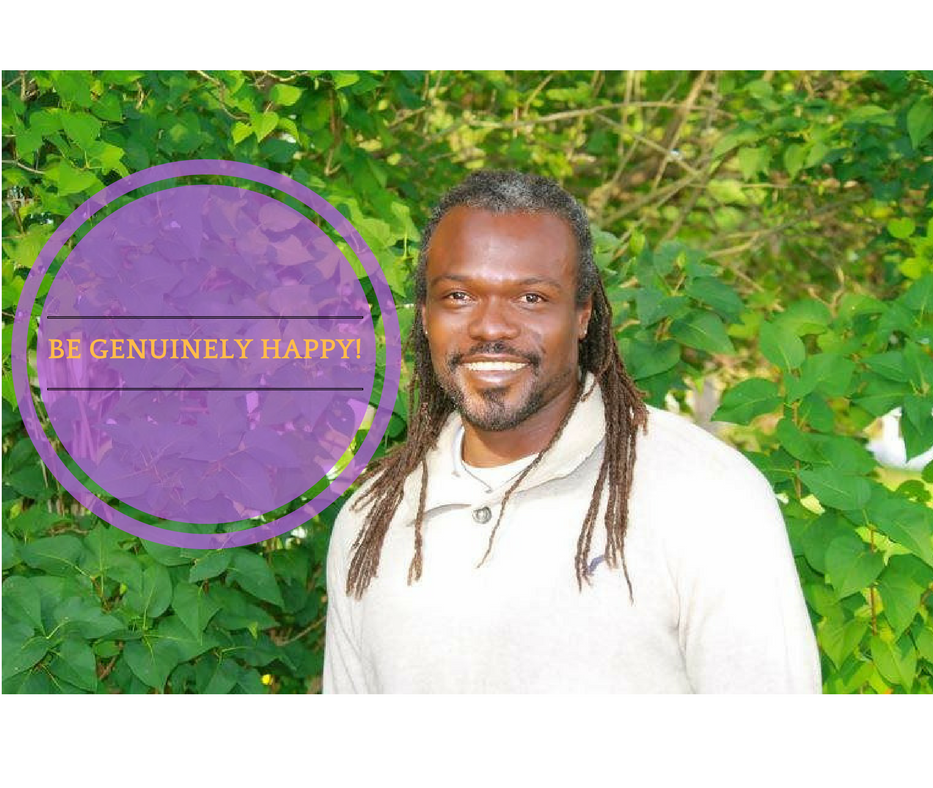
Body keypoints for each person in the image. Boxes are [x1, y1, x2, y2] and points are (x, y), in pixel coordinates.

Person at [323, 170, 821, 693]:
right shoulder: (372, 519)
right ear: (425, 316)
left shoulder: (703, 494)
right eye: (459, 296)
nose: (491, 327)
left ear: (583, 314)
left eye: (531, 298)